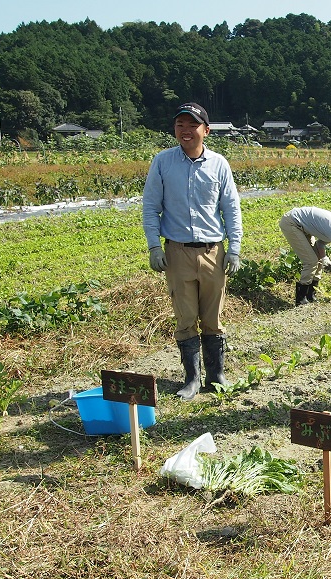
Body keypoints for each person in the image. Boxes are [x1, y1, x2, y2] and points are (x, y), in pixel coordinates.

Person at [143, 102, 243, 400]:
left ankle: (216, 374)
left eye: (192, 125)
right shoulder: (162, 162)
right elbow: (151, 208)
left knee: (213, 318)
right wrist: (153, 246)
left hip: (214, 252)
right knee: (186, 318)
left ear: (206, 130)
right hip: (178, 253)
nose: (185, 131)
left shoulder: (219, 164)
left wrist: (234, 249)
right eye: (180, 125)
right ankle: (192, 378)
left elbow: (231, 208)